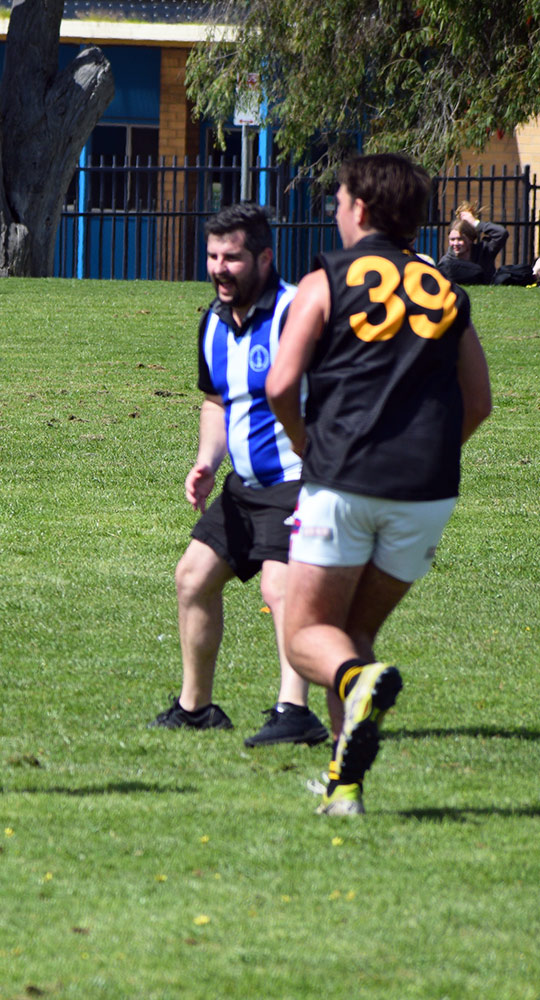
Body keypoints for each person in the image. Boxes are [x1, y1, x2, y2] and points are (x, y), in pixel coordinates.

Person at [266, 153, 492, 815]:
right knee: (351, 634)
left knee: (307, 637)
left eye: (339, 200)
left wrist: (307, 445)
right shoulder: (444, 288)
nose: (336, 210)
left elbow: (280, 384)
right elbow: (479, 402)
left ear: (360, 208)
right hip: (427, 494)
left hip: (345, 479)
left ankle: (358, 684)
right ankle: (345, 788)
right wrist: (426, 459)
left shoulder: (328, 277)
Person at [149, 203, 329, 749]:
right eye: (212, 257)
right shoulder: (213, 322)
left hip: (299, 478)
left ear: (264, 257)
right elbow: (216, 401)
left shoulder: (298, 313)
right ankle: (197, 708)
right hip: (244, 486)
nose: (219, 269)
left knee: (280, 586)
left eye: (232, 258)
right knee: (192, 577)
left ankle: (295, 711)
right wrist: (207, 460)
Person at [435, 203, 509, 285]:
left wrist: (475, 223)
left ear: (470, 239)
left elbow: (501, 233)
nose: (455, 243)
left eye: (460, 239)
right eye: (452, 239)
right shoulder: (447, 262)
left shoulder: (484, 251)